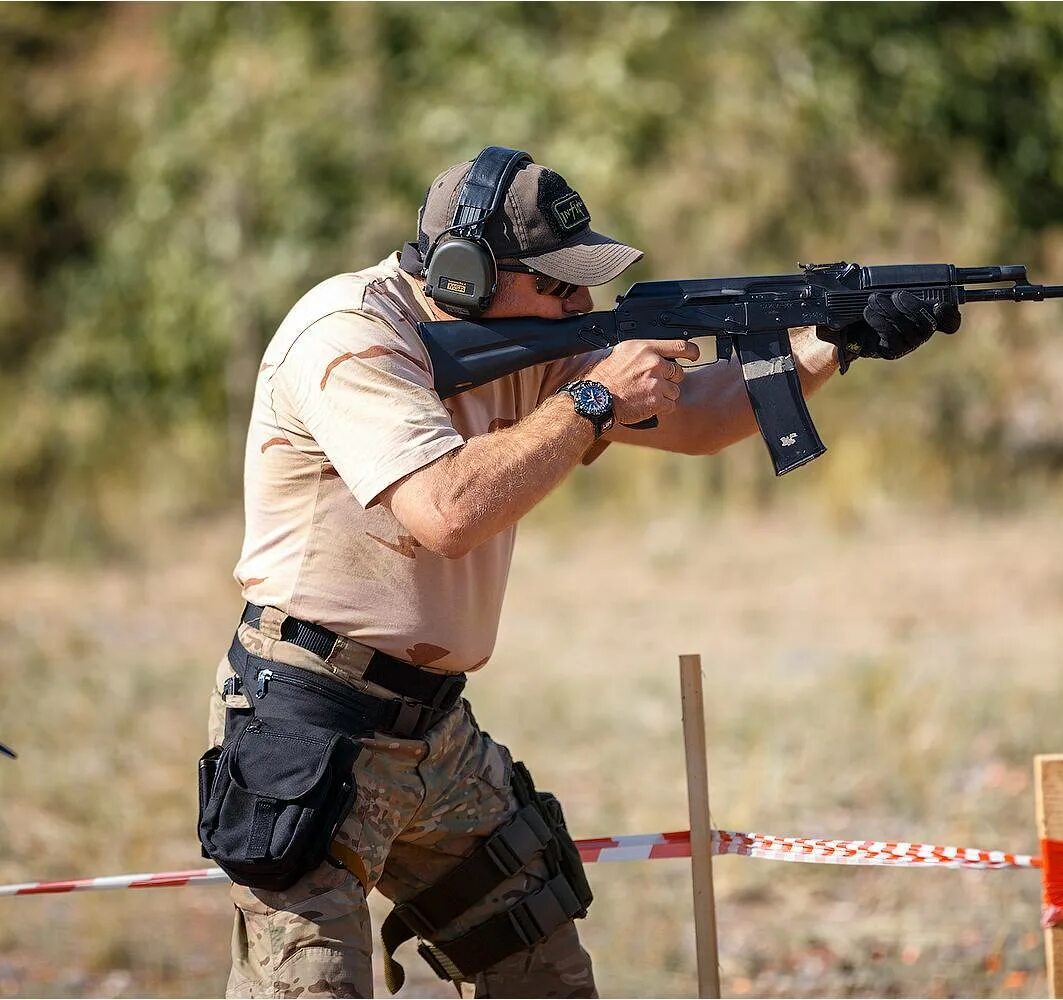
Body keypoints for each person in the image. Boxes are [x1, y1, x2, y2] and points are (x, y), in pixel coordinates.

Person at [203, 146, 959, 999]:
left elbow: (698, 418)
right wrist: (593, 398)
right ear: (462, 275)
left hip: (432, 732)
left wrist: (832, 340)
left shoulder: (524, 342)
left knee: (543, 975)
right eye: (558, 285)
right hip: (310, 722)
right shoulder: (348, 337)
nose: (580, 303)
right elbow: (447, 513)